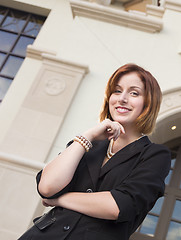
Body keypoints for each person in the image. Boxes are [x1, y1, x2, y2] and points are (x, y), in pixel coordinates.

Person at [18, 63, 171, 240]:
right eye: (117, 91)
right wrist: (87, 136)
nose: (122, 98)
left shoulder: (155, 155)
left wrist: (59, 200)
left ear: (148, 104)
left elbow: (119, 206)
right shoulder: (86, 145)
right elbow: (47, 187)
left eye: (134, 93)